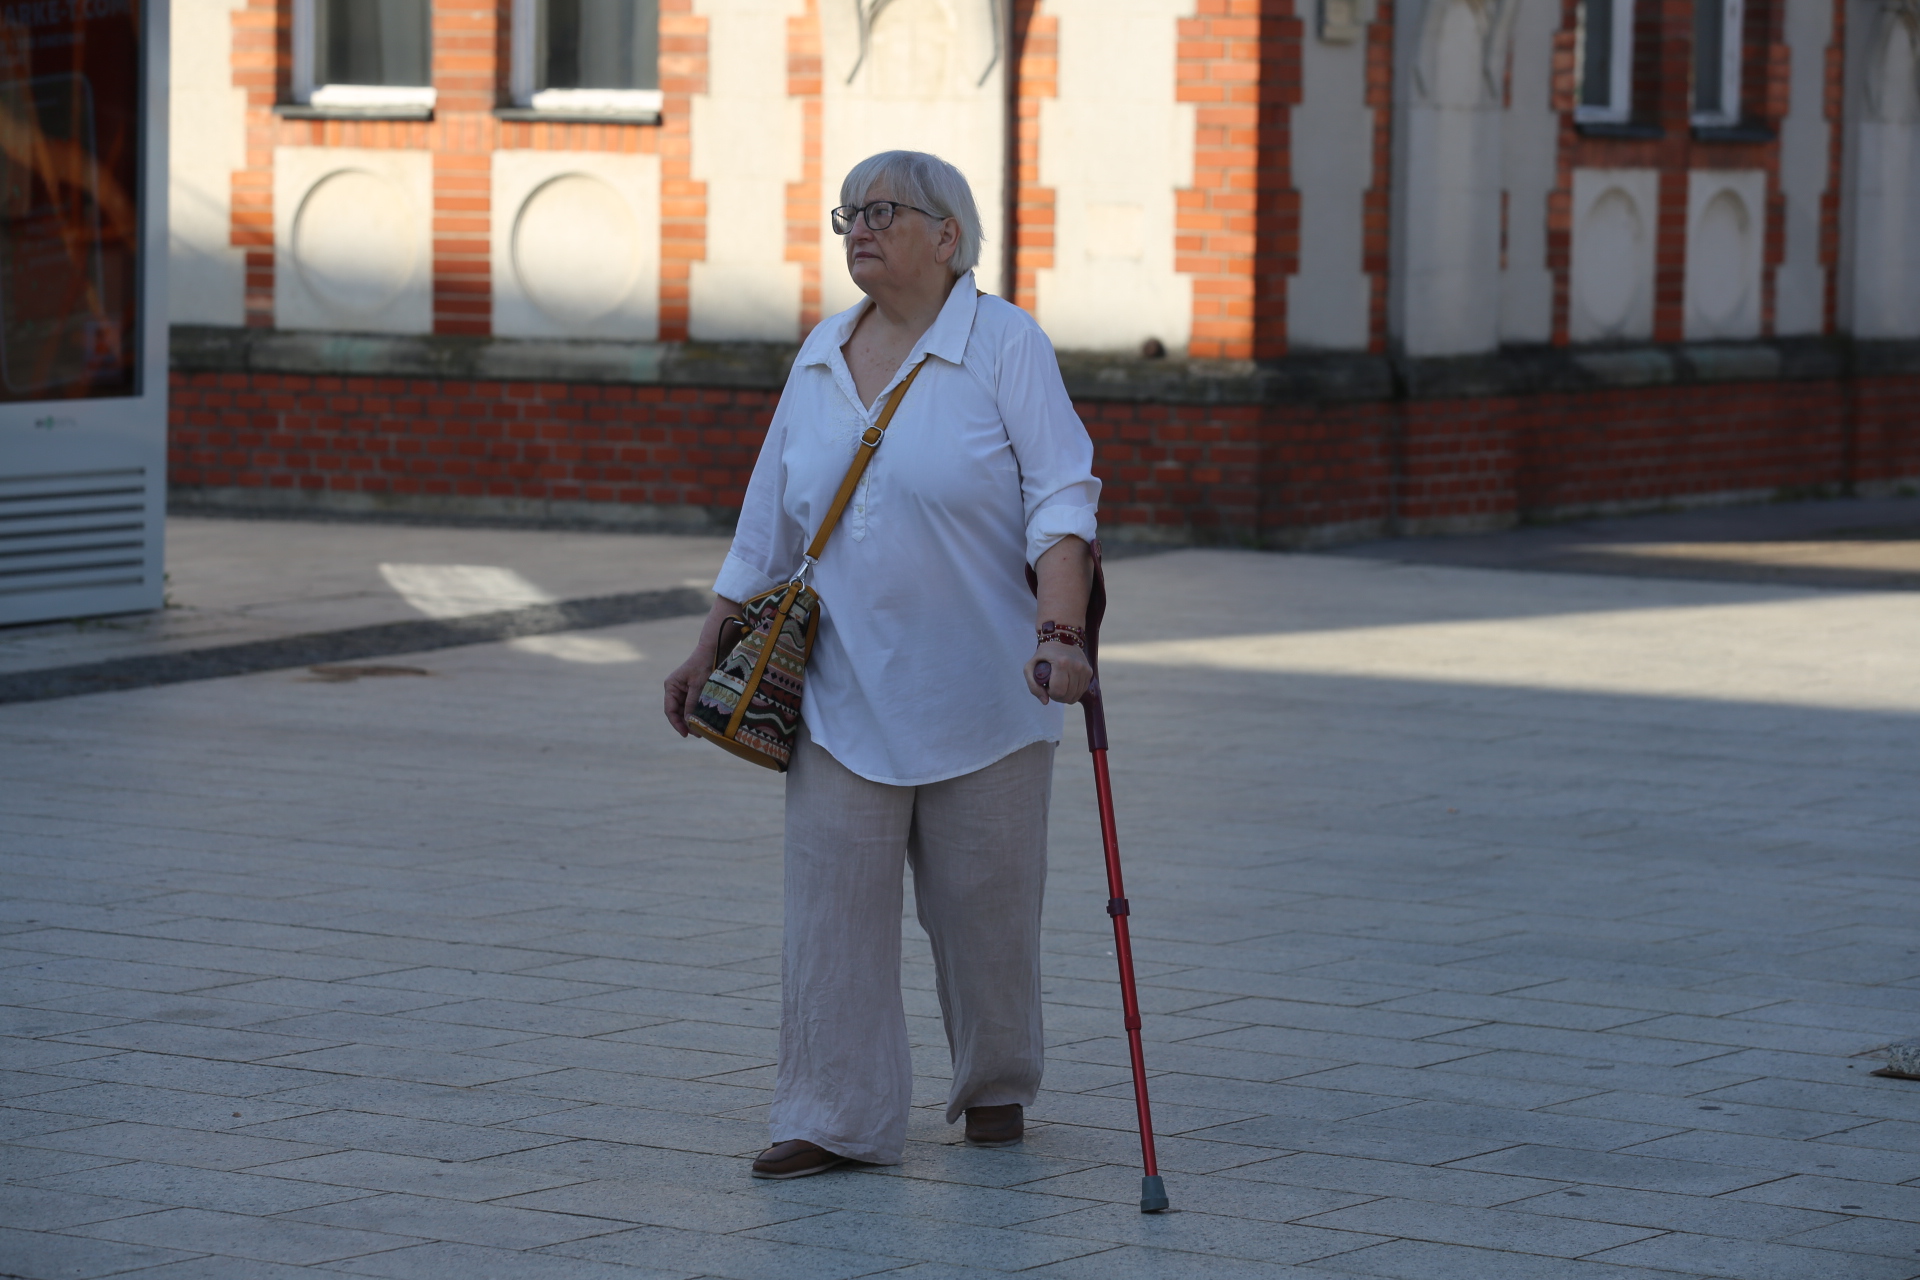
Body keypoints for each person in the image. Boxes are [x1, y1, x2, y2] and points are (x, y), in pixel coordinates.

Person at [663, 149, 1099, 1180]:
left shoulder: (1003, 344)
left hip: (988, 686)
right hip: (840, 692)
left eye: (884, 210)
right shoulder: (820, 352)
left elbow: (1062, 500)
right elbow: (768, 516)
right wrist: (708, 639)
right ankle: (832, 1112)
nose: (859, 227)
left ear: (947, 237)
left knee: (985, 915)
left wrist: (1060, 633)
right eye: (848, 212)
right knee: (830, 920)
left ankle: (995, 1084)